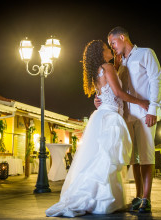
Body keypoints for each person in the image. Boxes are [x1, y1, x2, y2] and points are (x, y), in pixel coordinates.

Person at [45, 40, 149, 217]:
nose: (110, 50)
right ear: (101, 53)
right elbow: (118, 93)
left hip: (101, 116)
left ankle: (97, 199)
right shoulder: (107, 68)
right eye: (106, 48)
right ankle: (103, 200)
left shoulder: (98, 71)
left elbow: (102, 94)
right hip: (110, 118)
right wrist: (141, 102)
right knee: (107, 160)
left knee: (101, 159)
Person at [97, 26, 161, 213]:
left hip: (144, 113)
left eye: (113, 43)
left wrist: (152, 110)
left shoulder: (146, 53)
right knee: (133, 158)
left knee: (146, 155)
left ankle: (147, 199)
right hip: (126, 116)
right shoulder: (120, 63)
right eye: (110, 44)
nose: (112, 46)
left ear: (123, 37)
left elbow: (156, 81)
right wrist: (99, 98)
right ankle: (138, 195)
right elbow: (116, 90)